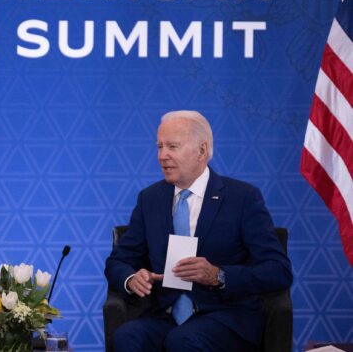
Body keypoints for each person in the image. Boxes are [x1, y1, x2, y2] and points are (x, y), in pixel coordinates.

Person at [105, 110, 292, 352]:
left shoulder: (242, 198)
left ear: (201, 151)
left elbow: (278, 270)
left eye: (172, 146)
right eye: (159, 147)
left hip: (225, 316)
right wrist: (132, 279)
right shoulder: (150, 199)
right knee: (127, 337)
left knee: (183, 340)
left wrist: (218, 275)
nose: (163, 156)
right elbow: (118, 261)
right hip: (167, 316)